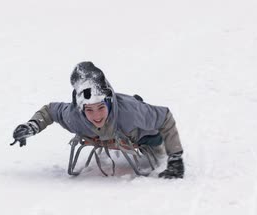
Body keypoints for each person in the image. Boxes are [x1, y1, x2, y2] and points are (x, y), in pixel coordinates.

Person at [11, 61, 185, 179]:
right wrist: (33, 125)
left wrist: (175, 158)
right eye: (89, 110)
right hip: (105, 134)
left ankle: (137, 101)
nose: (96, 116)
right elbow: (50, 111)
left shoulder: (131, 113)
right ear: (81, 109)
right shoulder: (74, 116)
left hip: (140, 134)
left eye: (101, 108)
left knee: (155, 138)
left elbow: (165, 117)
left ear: (108, 103)